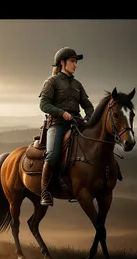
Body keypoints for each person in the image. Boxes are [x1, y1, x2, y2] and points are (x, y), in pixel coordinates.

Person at [38, 46, 94, 206]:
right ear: (62, 63)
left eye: (76, 62)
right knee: (53, 155)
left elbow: (88, 106)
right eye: (72, 61)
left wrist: (87, 119)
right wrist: (62, 113)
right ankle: (45, 191)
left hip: (77, 124)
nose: (75, 65)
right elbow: (43, 104)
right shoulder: (51, 82)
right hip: (57, 124)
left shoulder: (78, 84)